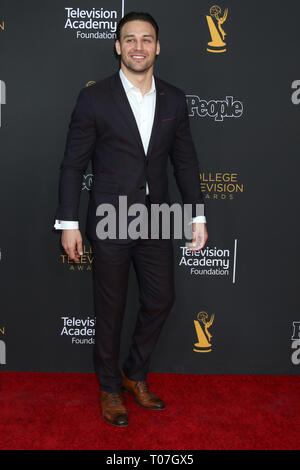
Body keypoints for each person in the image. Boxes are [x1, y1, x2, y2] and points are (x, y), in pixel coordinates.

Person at [54, 11, 208, 427]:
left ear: (157, 47)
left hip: (157, 216)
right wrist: (68, 222)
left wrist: (197, 214)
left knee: (161, 300)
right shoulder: (95, 97)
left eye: (146, 39)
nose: (138, 46)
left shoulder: (175, 99)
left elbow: (185, 162)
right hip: (109, 216)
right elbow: (73, 164)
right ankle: (109, 389)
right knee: (111, 308)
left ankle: (133, 373)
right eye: (130, 39)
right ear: (117, 47)